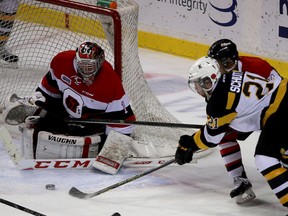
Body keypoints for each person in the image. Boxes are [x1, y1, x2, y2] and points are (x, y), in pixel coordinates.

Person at [175, 56, 288, 208]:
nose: (197, 90)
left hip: (280, 112)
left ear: (208, 81)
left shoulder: (218, 101)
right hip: (282, 99)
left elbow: (211, 138)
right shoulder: (229, 77)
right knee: (282, 158)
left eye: (198, 85)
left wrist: (189, 145)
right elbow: (229, 119)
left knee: (265, 159)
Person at [3, 41, 136, 168]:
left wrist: (112, 152)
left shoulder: (111, 84)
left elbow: (124, 121)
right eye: (82, 65)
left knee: (100, 135)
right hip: (64, 113)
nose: (85, 70)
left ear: (100, 62)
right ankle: (36, 110)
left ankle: (41, 113)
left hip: (91, 123)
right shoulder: (62, 61)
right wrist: (41, 101)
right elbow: (48, 90)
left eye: (89, 66)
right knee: (41, 119)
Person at [204, 38, 283, 204]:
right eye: (217, 63)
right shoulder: (220, 80)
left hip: (272, 116)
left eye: (223, 63)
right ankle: (240, 180)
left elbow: (280, 95)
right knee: (224, 135)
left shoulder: (257, 67)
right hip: (247, 116)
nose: (220, 68)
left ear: (232, 59)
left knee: (274, 156)